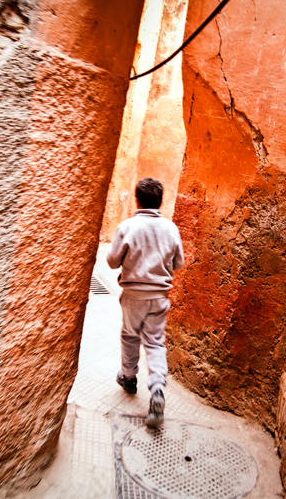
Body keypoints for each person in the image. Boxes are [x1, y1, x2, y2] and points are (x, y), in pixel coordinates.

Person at [107, 177, 184, 427]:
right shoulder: (171, 228)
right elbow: (179, 263)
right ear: (161, 201)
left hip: (133, 296)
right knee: (154, 342)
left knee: (130, 336)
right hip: (159, 297)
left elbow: (111, 261)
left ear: (137, 200)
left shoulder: (128, 226)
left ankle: (129, 378)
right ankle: (158, 389)